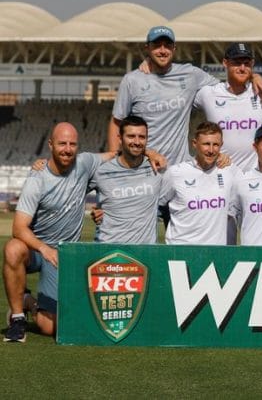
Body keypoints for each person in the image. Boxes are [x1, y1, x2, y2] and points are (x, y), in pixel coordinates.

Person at [3, 123, 115, 341]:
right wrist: (44, 249)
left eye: (72, 144)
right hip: (37, 250)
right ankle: (17, 319)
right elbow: (18, 227)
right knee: (13, 249)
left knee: (49, 327)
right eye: (62, 143)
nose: (67, 149)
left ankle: (28, 301)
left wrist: (150, 153)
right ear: (51, 145)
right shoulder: (37, 179)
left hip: (63, 253)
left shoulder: (85, 163)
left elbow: (116, 154)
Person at [108, 26, 262, 165]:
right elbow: (116, 122)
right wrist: (114, 162)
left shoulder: (190, 74)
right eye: (156, 46)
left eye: (167, 46)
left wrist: (253, 76)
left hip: (178, 168)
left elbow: (227, 85)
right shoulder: (132, 80)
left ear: (174, 48)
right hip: (142, 166)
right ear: (147, 48)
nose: (162, 50)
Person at [194, 42, 262, 171]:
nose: (242, 68)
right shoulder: (208, 94)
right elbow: (181, 105)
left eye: (247, 63)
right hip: (220, 173)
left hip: (256, 176)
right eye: (236, 63)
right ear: (225, 63)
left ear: (252, 64)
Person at [159, 122, 241, 245]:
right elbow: (156, 205)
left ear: (221, 145)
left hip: (215, 252)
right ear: (194, 144)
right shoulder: (175, 173)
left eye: (216, 145)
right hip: (181, 250)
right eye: (206, 144)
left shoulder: (230, 171)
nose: (211, 150)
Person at [90, 116, 162, 244]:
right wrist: (95, 212)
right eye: (131, 136)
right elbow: (73, 196)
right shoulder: (101, 171)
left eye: (142, 137)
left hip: (145, 252)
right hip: (109, 250)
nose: (137, 141)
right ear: (120, 138)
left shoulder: (156, 169)